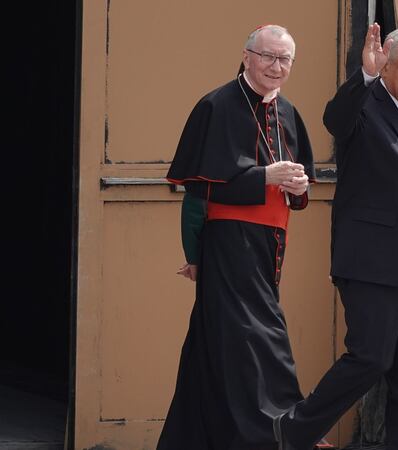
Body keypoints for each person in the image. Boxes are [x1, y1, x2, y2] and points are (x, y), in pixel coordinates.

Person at [273, 24, 398, 450]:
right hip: (370, 264)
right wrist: (363, 79)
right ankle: (294, 430)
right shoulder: (364, 105)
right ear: (385, 63)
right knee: (371, 358)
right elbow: (335, 119)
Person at [158, 25, 316, 450]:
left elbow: (298, 189)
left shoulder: (289, 113)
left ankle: (193, 439)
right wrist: (265, 176)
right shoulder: (216, 105)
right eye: (268, 56)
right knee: (258, 334)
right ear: (246, 56)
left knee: (216, 341)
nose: (276, 67)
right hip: (229, 240)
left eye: (285, 60)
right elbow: (199, 189)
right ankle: (277, 432)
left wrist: (299, 190)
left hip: (270, 244)